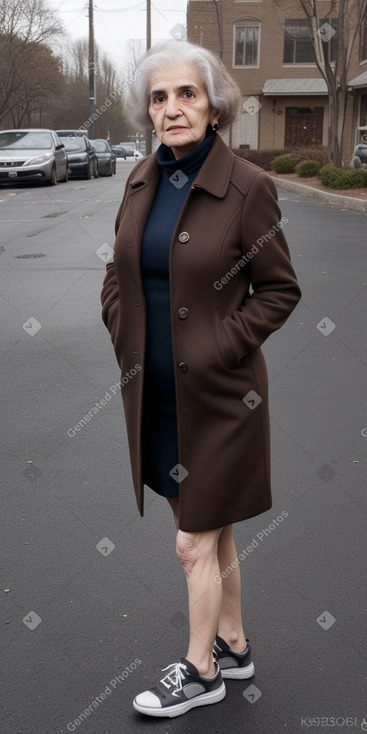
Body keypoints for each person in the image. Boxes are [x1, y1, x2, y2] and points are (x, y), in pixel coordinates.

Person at [101, 40, 301, 719]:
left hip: (218, 399)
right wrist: (121, 328)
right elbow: (116, 274)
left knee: (192, 543)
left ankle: (200, 668)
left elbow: (278, 290)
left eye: (186, 93)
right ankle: (235, 642)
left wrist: (222, 344)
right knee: (211, 535)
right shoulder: (138, 180)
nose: (172, 108)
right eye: (159, 97)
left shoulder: (247, 186)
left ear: (213, 104)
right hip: (154, 399)